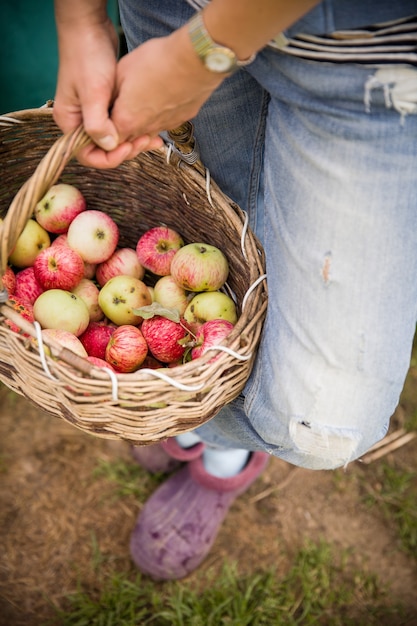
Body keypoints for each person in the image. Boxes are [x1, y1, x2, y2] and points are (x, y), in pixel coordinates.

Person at [52, 0, 417, 580]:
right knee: (213, 218)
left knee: (321, 425)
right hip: (172, 11)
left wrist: (197, 57)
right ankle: (209, 443)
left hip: (364, 60)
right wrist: (82, 19)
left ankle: (202, 428)